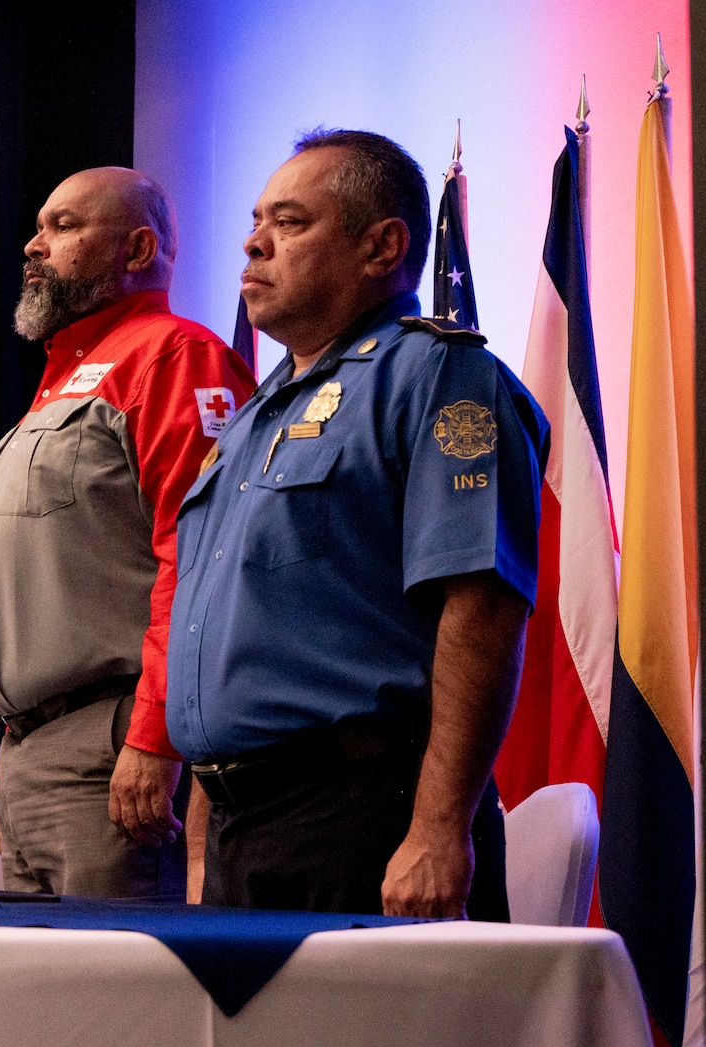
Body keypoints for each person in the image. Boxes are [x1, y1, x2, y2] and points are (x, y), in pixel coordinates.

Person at [168, 129, 547, 918]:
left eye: (290, 221)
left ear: (381, 247)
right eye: (254, 220)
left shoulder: (440, 375)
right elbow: (221, 649)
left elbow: (480, 606)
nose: (251, 242)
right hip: (243, 828)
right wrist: (202, 845)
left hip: (363, 817)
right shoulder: (250, 419)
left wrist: (439, 829)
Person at [0, 167, 255, 896]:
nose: (34, 245)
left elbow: (201, 558)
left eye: (62, 226)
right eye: (38, 227)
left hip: (112, 744)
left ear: (136, 248)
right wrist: (12, 760)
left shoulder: (173, 356)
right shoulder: (63, 376)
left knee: (109, 1002)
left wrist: (153, 738)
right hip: (32, 754)